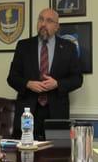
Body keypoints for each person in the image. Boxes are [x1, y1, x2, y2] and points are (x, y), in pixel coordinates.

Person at [7, 8, 83, 139]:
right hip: (28, 112)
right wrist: (28, 84)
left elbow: (77, 79)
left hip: (57, 112)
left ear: (57, 27)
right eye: (41, 19)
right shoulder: (24, 46)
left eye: (49, 21)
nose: (43, 24)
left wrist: (57, 84)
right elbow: (12, 78)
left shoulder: (68, 48)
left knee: (56, 155)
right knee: (24, 155)